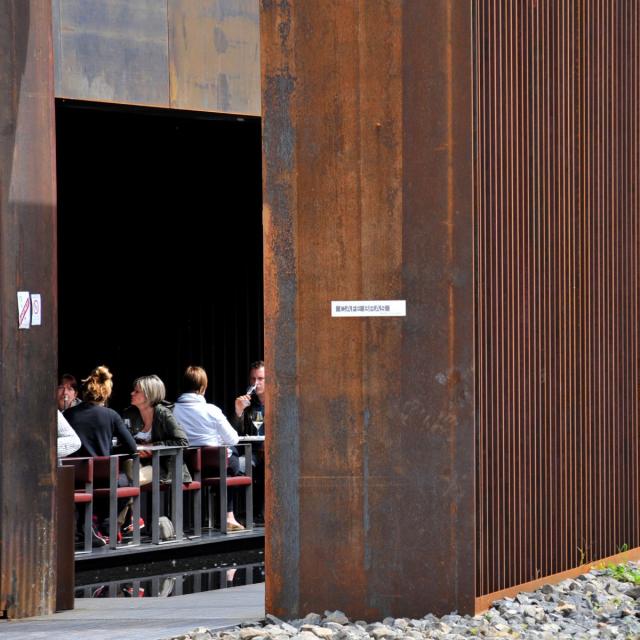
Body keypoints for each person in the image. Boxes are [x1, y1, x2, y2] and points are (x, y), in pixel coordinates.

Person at [173, 366, 245, 531]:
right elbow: (233, 438)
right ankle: (229, 516)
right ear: (203, 388)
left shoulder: (173, 411)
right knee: (234, 461)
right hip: (216, 467)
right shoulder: (212, 410)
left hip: (187, 468)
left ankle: (184, 521)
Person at [122, 375, 191, 485]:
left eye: (136, 391)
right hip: (138, 462)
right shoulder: (129, 414)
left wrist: (151, 448)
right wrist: (137, 449)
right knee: (126, 471)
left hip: (165, 467)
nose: (132, 393)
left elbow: (182, 442)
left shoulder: (163, 414)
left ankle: (133, 483)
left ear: (148, 395)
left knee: (125, 480)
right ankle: (133, 481)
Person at [65, 366, 137, 458]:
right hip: (102, 471)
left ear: (85, 391)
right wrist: (108, 450)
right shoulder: (111, 415)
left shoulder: (68, 414)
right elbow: (132, 447)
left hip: (73, 471)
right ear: (107, 393)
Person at [233, 360, 265, 525]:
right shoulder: (248, 404)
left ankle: (264, 512)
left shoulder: (280, 401)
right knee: (234, 465)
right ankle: (236, 514)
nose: (256, 383)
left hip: (277, 454)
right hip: (252, 453)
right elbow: (234, 434)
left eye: (260, 378)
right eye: (253, 379)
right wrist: (239, 412)